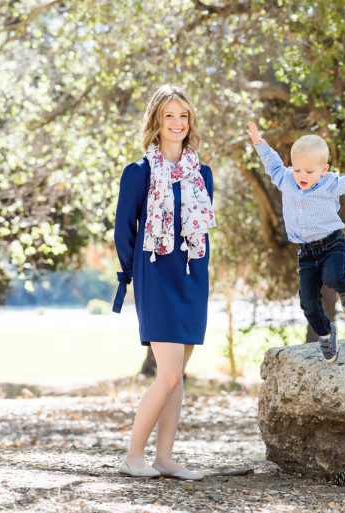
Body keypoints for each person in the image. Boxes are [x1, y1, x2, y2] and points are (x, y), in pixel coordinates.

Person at [112, 84, 216, 480]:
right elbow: (124, 230)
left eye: (183, 116)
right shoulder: (138, 172)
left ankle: (166, 458)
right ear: (157, 121)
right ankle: (133, 456)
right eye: (169, 116)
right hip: (154, 274)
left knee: (175, 376)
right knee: (169, 373)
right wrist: (132, 274)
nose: (177, 123)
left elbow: (201, 228)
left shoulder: (202, 173)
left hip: (192, 277)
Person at [246, 121, 345, 363]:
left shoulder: (330, 184)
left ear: (323, 169)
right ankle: (326, 334)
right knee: (307, 303)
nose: (301, 176)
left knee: (333, 278)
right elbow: (273, 165)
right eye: (297, 170)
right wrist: (259, 143)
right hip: (306, 253)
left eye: (309, 172)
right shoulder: (286, 178)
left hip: (331, 244)